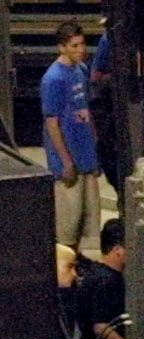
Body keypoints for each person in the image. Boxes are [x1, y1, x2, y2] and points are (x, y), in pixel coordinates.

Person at [41, 22, 100, 255]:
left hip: (86, 158)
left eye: (82, 44)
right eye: (74, 46)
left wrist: (93, 149)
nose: (80, 50)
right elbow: (52, 122)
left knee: (88, 222)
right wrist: (65, 161)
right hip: (69, 161)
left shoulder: (81, 70)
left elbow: (85, 108)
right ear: (61, 47)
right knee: (68, 225)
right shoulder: (53, 79)